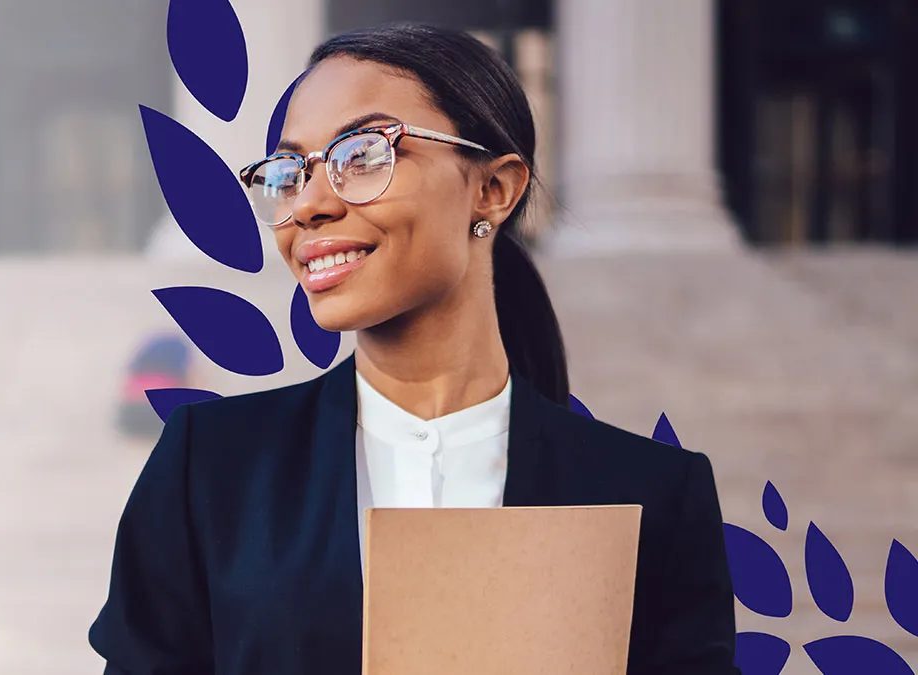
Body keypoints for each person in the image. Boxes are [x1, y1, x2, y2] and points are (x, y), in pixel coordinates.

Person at [89, 22, 738, 675]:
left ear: (494, 189)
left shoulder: (650, 493)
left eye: (364, 154)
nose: (309, 205)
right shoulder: (211, 468)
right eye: (289, 172)